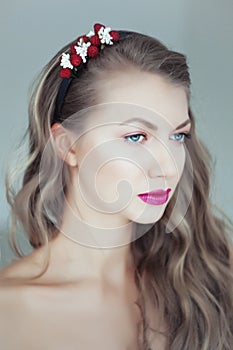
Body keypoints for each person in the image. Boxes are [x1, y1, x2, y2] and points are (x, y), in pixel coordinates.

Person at [0, 22, 232, 350]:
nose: (167, 168)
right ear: (67, 145)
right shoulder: (7, 313)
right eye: (136, 137)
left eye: (178, 135)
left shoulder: (213, 274)